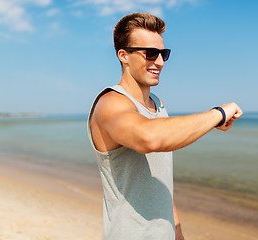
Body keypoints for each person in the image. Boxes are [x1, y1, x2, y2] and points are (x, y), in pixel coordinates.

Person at [87, 12, 243, 240]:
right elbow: (149, 138)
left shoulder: (157, 105)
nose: (159, 62)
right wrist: (218, 115)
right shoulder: (110, 103)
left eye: (163, 53)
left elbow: (158, 178)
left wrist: (176, 228)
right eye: (150, 54)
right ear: (124, 56)